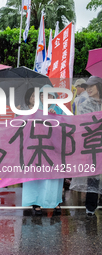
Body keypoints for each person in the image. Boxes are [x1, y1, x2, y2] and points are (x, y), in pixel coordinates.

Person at [22, 84, 63, 215]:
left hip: (54, 149)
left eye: (49, 95)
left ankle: (54, 201)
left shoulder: (60, 110)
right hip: (36, 148)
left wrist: (54, 117)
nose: (46, 97)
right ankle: (35, 202)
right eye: (42, 95)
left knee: (53, 177)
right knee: (36, 176)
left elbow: (66, 129)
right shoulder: (32, 111)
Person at [70, 76, 102, 216]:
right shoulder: (84, 105)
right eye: (87, 86)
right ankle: (90, 207)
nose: (88, 89)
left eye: (92, 86)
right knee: (93, 176)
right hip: (93, 145)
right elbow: (83, 125)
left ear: (99, 87)